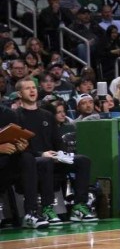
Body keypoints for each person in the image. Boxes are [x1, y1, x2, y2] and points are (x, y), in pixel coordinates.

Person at [14, 78, 98, 224]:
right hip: (31, 160)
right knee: (45, 161)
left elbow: (58, 141)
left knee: (83, 160)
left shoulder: (47, 115)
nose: (32, 90)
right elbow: (19, 145)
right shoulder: (16, 116)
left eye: (34, 87)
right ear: (19, 93)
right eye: (27, 88)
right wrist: (41, 154)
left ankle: (79, 206)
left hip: (53, 156)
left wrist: (61, 154)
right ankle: (47, 209)